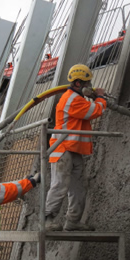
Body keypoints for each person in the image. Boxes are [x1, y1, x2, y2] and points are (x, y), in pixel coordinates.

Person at [44, 63, 107, 232]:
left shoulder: (78, 99)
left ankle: (73, 221)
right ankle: (47, 220)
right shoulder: (72, 99)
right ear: (78, 84)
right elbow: (95, 111)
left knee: (78, 187)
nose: (89, 86)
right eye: (86, 83)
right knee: (60, 184)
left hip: (73, 149)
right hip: (62, 148)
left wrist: (94, 98)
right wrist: (100, 97)